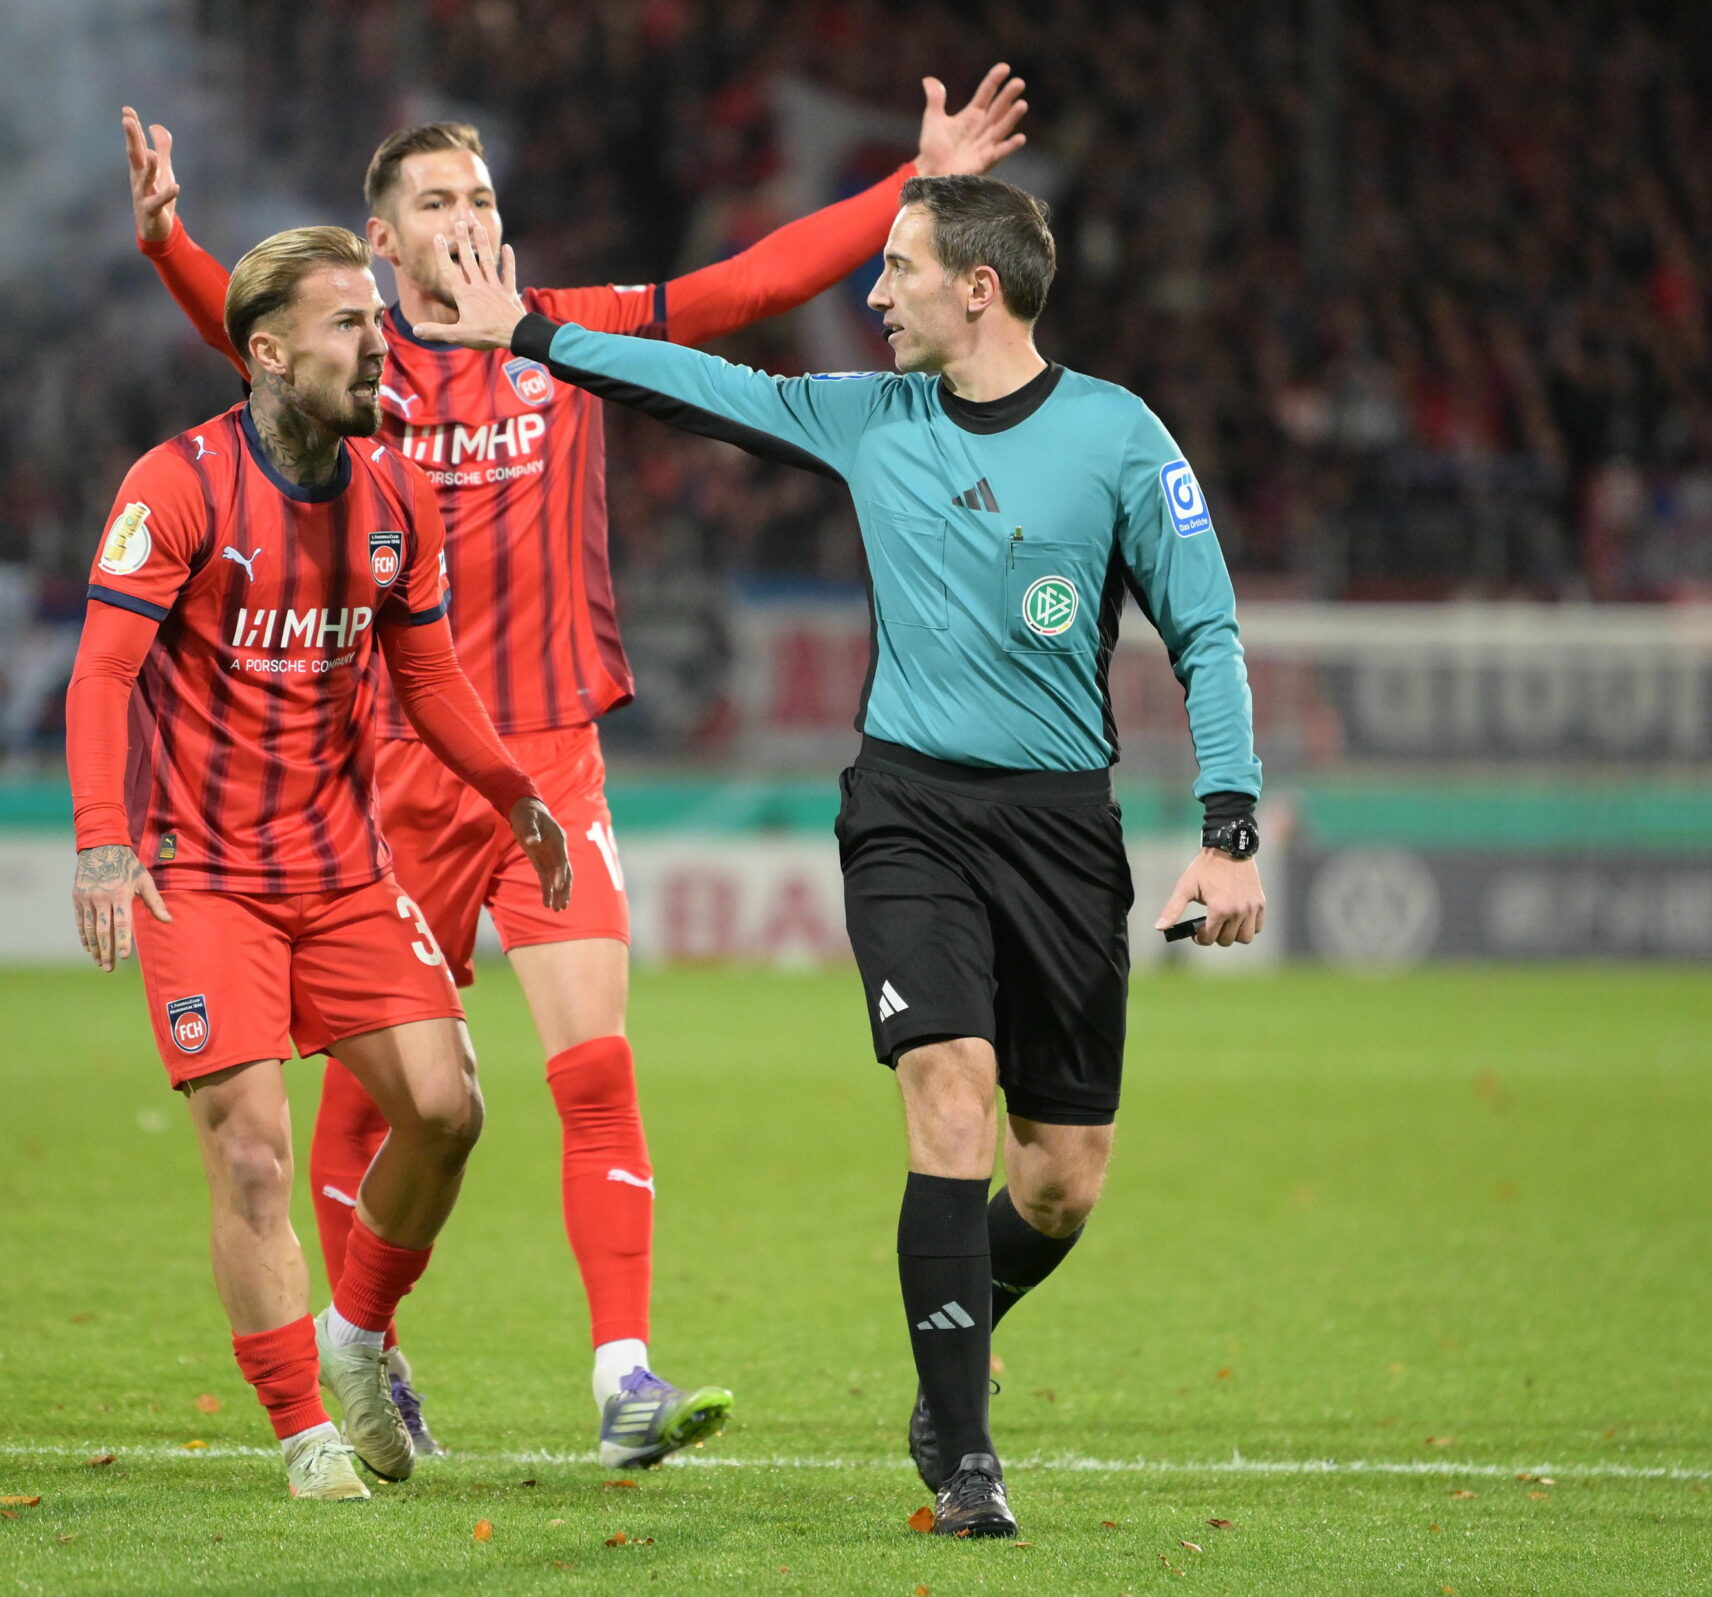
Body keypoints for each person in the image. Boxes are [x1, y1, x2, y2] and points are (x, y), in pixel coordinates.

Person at [117, 66, 1030, 1466]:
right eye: (435, 199)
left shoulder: (566, 334)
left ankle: (622, 1380)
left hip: (548, 762)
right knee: (385, 1102)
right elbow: (244, 339)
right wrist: (173, 242)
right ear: (382, 242)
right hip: (393, 778)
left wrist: (908, 191)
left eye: (480, 193)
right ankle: (371, 1342)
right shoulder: (366, 372)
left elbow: (747, 284)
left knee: (595, 1064)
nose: (467, 213)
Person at [409, 173, 1267, 1536]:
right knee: (948, 1095)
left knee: (1060, 1175)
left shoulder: (1118, 438)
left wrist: (1229, 832)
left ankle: (951, 1349)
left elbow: (1207, 634)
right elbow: (700, 385)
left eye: (902, 271)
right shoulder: (873, 419)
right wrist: (527, 332)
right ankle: (967, 1455)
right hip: (909, 814)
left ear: (977, 288)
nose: (874, 295)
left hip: (1061, 830)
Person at [65, 225, 571, 1501]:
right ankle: (303, 1430)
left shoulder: (395, 492)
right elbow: (102, 673)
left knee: (451, 1109)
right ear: (270, 352)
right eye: (350, 324)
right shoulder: (174, 487)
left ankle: (354, 1332)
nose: (379, 341)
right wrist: (101, 842)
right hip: (204, 877)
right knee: (249, 1154)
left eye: (376, 319)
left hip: (342, 872)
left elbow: (428, 673)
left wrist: (512, 791)